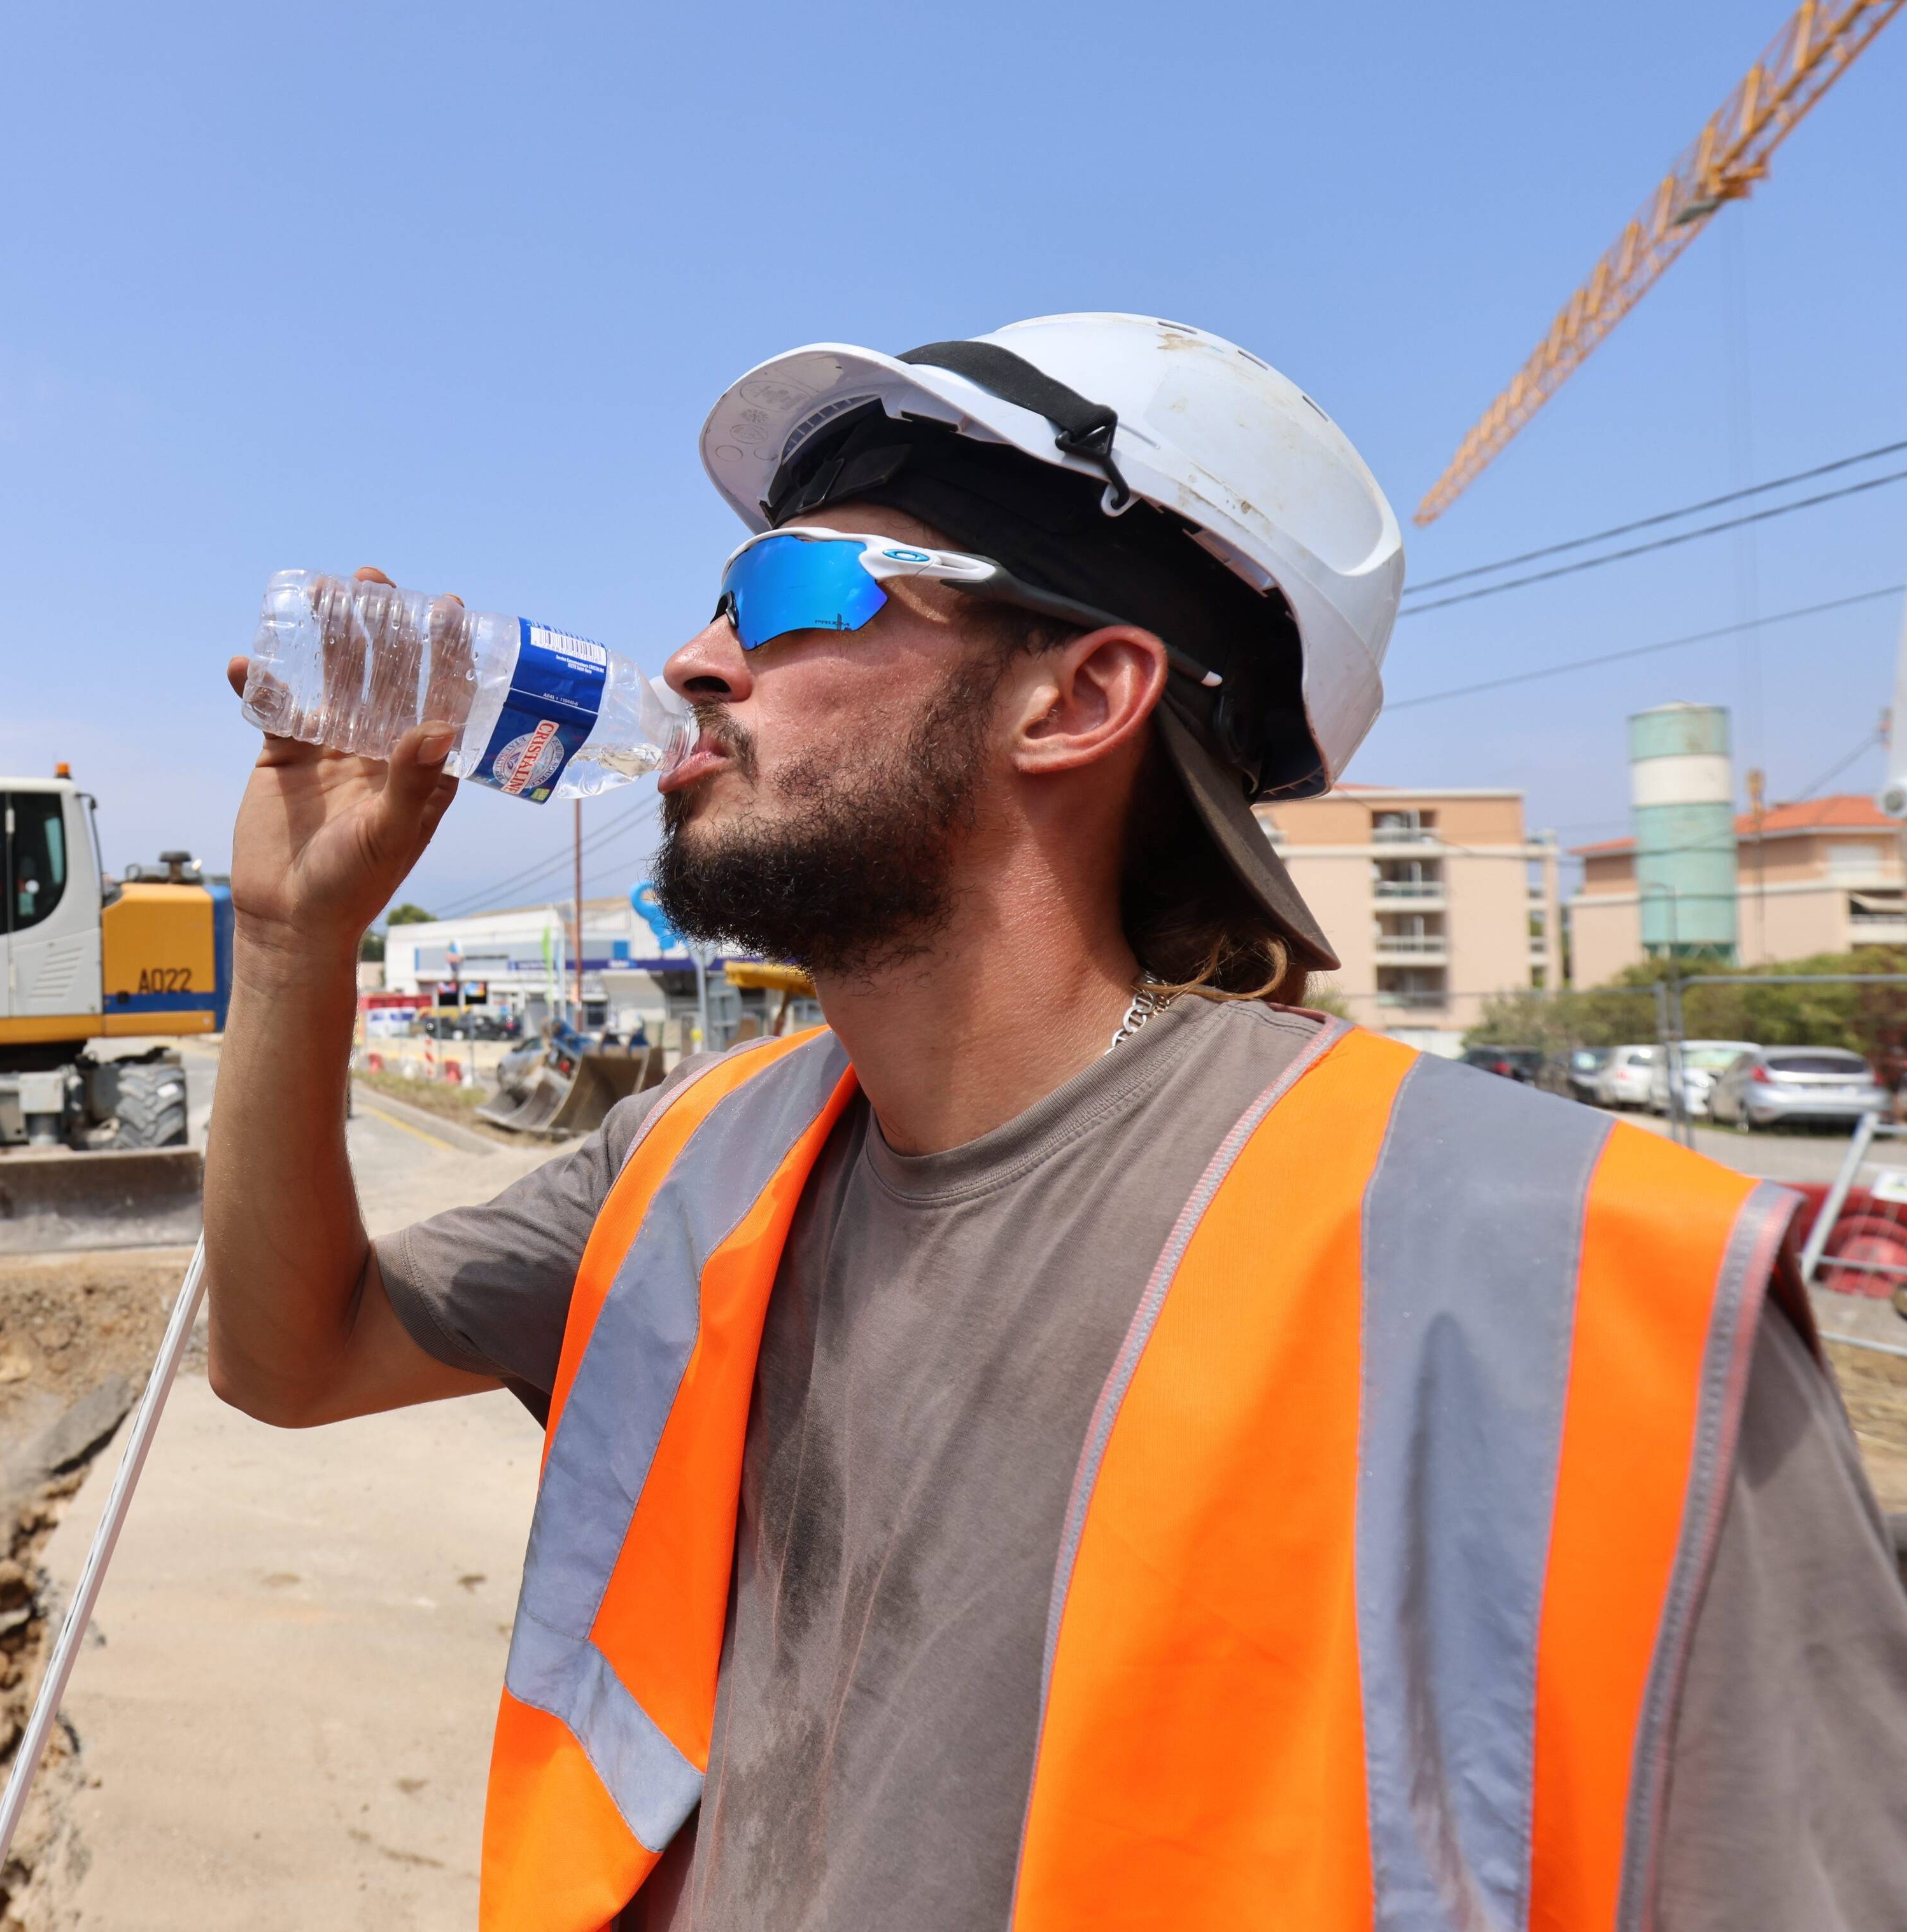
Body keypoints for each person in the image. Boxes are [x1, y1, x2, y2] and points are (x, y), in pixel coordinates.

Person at [204, 316, 1907, 1931]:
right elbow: (295, 1354)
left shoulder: (1564, 1276)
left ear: (1078, 696)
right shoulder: (698, 1152)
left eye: (791, 588)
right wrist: (293, 941)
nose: (692, 657)